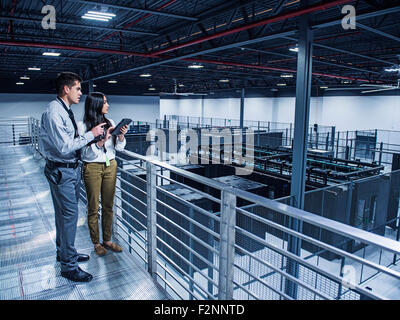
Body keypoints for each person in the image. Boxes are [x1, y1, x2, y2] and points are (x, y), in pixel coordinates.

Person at [39, 72, 105, 282]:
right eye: (77, 88)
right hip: (62, 170)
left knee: (64, 216)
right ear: (66, 89)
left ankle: (65, 253)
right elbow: (64, 146)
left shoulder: (64, 110)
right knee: (69, 217)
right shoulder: (54, 112)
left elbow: (69, 140)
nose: (80, 93)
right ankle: (69, 266)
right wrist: (91, 135)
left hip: (68, 169)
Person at [77, 92, 128, 256]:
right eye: (105, 102)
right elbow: (85, 153)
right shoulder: (83, 126)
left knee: (108, 205)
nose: (108, 105)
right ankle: (96, 242)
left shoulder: (111, 122)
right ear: (97, 104)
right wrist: (101, 141)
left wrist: (120, 137)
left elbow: (118, 149)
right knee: (93, 207)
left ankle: (107, 240)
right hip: (92, 167)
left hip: (110, 165)